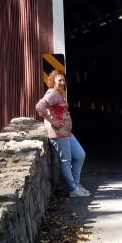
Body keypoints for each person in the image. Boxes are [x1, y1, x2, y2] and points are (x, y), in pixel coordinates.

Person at [36, 70, 89, 198]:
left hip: (66, 132)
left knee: (80, 155)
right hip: (58, 134)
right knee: (66, 161)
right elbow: (39, 106)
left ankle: (75, 185)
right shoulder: (52, 94)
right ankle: (73, 189)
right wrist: (52, 121)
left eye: (64, 80)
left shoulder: (59, 93)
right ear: (53, 81)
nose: (62, 82)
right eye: (59, 80)